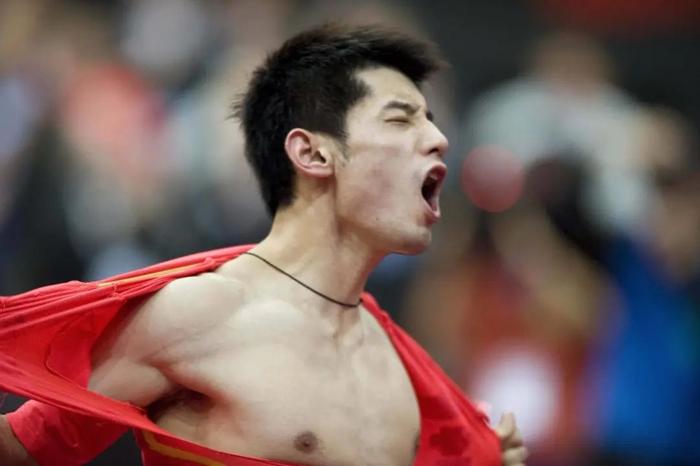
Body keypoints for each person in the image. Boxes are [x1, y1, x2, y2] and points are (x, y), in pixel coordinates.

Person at [0, 23, 527, 466]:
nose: (438, 139)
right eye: (400, 119)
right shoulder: (195, 315)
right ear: (312, 154)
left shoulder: (401, 364)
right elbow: (24, 449)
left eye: (430, 121)